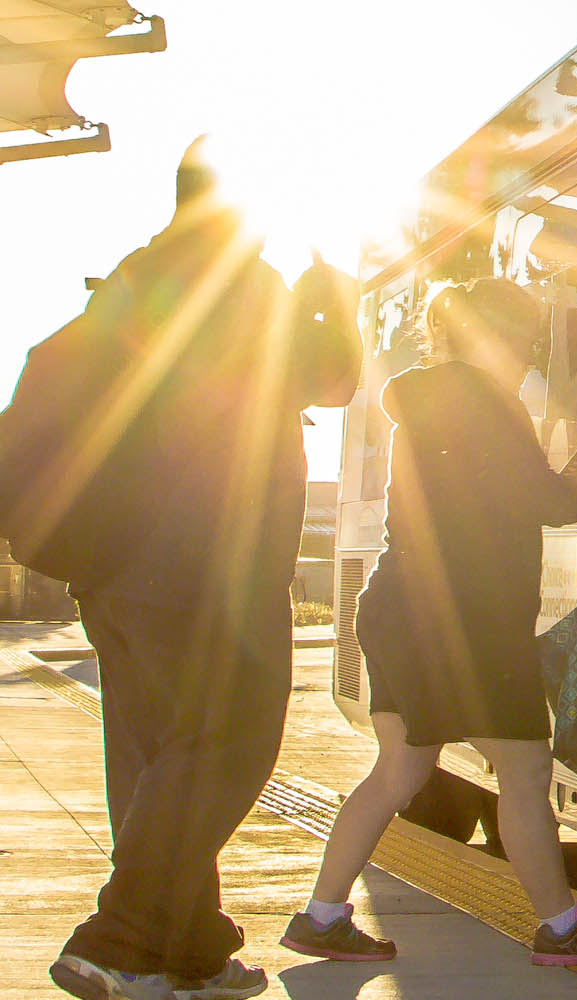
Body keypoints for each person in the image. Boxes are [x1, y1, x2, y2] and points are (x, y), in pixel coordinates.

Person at [47, 138, 362, 1000]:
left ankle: (186, 952)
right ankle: (120, 941)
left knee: (158, 760)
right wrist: (334, 300)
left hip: (111, 568)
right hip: (204, 564)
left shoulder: (134, 275)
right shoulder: (244, 287)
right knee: (229, 741)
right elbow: (331, 377)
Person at [279, 277, 577, 967]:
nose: (530, 356)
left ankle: (321, 915)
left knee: (397, 770)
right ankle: (564, 929)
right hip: (462, 619)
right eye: (526, 338)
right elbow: (539, 499)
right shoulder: (486, 403)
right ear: (499, 336)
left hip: (395, 605)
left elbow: (489, 497)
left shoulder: (423, 400)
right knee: (527, 767)